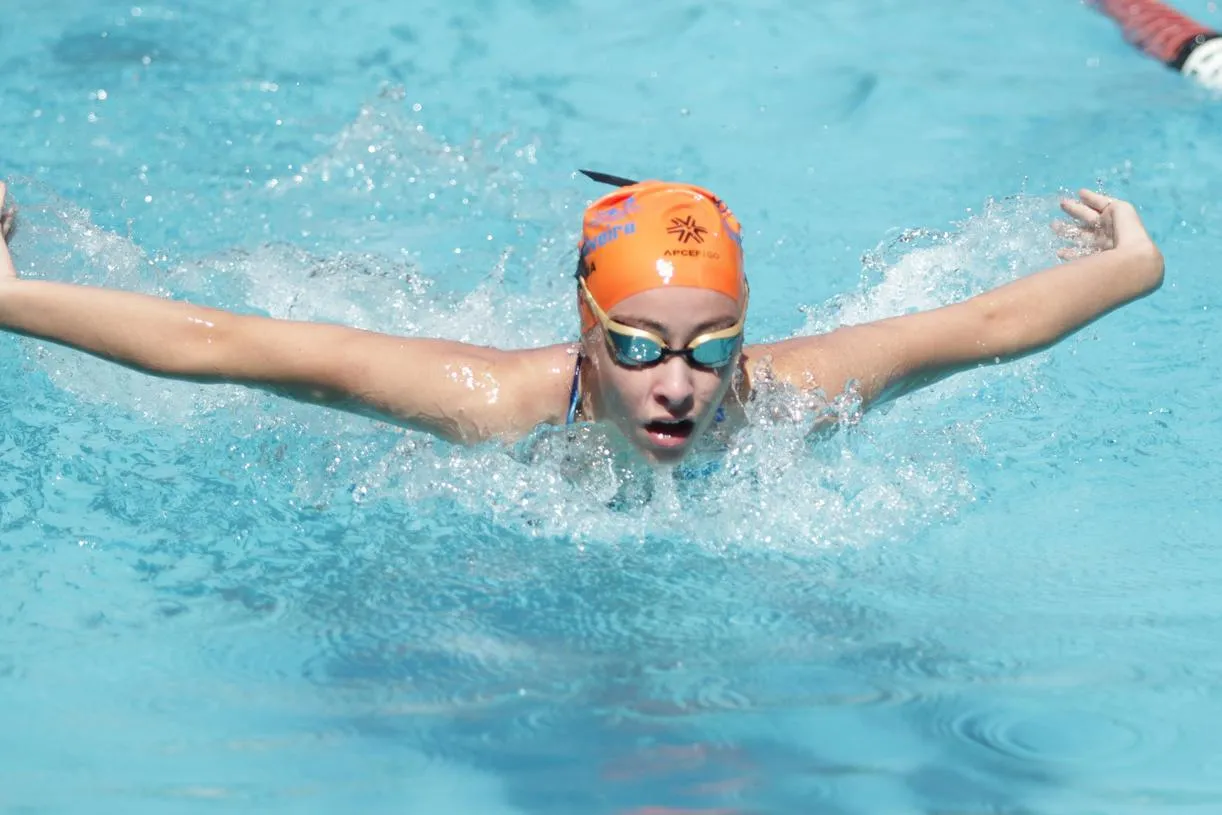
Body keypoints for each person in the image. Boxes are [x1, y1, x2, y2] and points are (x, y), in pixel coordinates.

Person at [0, 172, 1164, 465]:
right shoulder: (499, 405)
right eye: (640, 347)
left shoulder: (783, 401)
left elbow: (989, 322)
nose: (680, 384)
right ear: (585, 332)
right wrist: (11, 299)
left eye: (713, 349)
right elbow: (234, 346)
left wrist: (1133, 263)